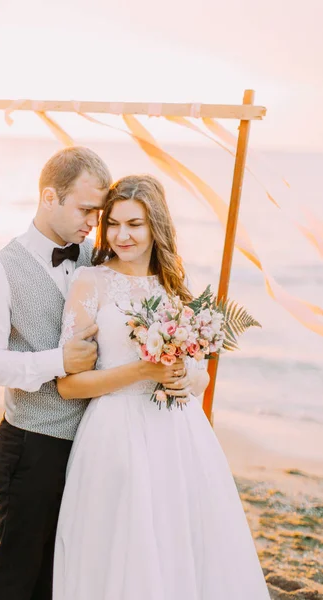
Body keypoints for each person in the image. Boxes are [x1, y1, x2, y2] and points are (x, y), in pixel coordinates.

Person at [53, 174, 271, 599]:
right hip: (115, 434)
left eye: (134, 224)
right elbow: (69, 385)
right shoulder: (90, 283)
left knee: (179, 543)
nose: (121, 235)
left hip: (179, 434)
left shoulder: (174, 285)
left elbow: (200, 375)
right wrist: (142, 372)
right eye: (113, 224)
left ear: (156, 225)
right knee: (123, 548)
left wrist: (182, 376)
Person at [0, 147, 121, 600]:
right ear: (49, 196)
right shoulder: (0, 270)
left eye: (99, 212)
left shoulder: (101, 259)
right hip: (33, 444)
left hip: (96, 441)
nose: (93, 222)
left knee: (65, 571)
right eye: (85, 209)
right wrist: (58, 362)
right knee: (19, 571)